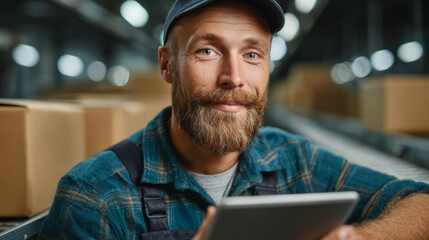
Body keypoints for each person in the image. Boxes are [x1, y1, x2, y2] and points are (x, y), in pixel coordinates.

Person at [39, 0, 429, 239]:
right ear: (167, 65)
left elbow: (420, 203)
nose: (234, 77)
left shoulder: (295, 162)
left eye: (253, 55)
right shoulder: (95, 198)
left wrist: (360, 238)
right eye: (208, 51)